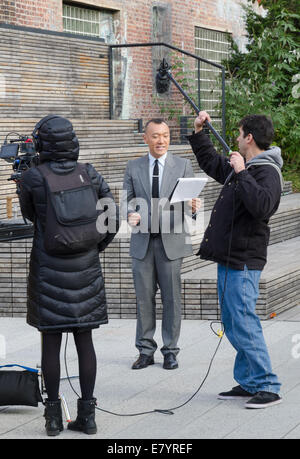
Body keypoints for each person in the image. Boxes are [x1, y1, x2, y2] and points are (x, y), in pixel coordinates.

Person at [19, 115, 119, 436]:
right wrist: (94, 247)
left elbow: (29, 216)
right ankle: (87, 417)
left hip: (48, 272)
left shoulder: (33, 178)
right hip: (86, 270)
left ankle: (52, 419)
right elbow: (111, 216)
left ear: (42, 143)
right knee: (84, 340)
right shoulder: (89, 173)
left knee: (51, 341)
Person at [187, 111, 282, 409]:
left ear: (249, 137)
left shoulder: (266, 170)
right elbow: (214, 164)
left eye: (240, 134)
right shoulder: (246, 166)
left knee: (243, 321)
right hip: (229, 258)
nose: (237, 139)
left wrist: (242, 172)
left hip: (244, 259)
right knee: (232, 321)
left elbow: (263, 207)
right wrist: (200, 132)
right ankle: (250, 381)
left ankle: (268, 384)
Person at [122, 118, 201, 370]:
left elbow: (188, 204)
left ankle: (170, 351)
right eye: (155, 136)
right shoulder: (133, 166)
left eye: (165, 135)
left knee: (172, 299)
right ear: (145, 138)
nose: (161, 141)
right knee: (144, 299)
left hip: (171, 243)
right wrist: (128, 213)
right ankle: (145, 351)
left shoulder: (183, 165)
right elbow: (127, 200)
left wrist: (193, 208)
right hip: (143, 243)